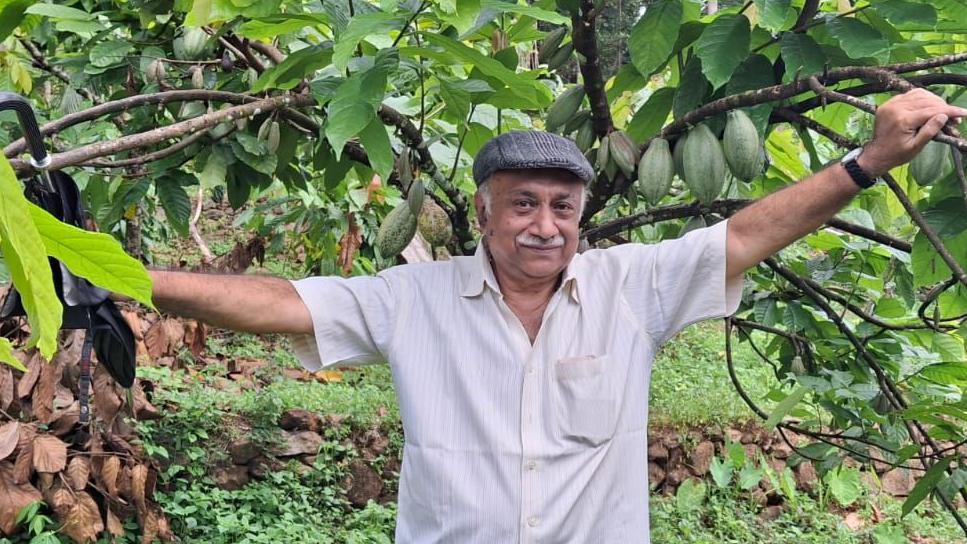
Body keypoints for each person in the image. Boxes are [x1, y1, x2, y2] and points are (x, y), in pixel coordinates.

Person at [147, 88, 965, 543]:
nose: (544, 225)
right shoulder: (410, 300)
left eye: (562, 207)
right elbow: (277, 303)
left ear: (580, 214)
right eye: (523, 205)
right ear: (482, 211)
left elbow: (748, 230)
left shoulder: (630, 288)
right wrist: (125, 278)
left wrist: (863, 164)